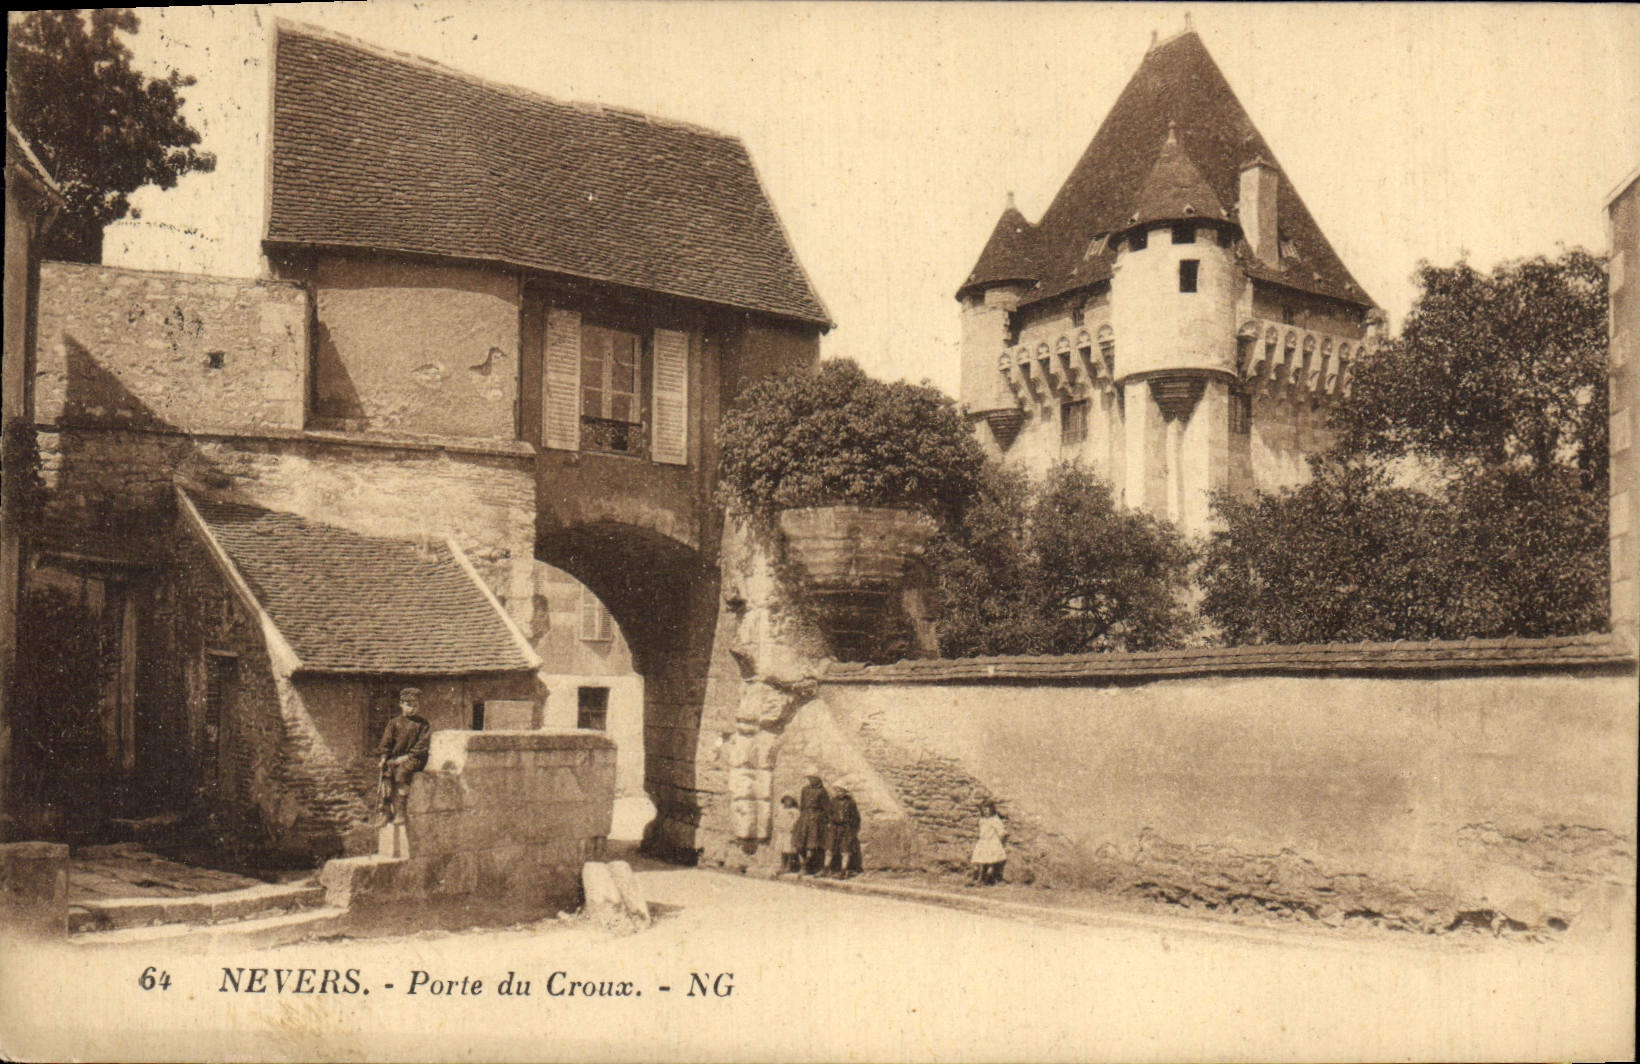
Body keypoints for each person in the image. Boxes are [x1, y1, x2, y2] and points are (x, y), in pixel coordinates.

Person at [377, 687, 431, 824]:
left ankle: (401, 813)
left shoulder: (423, 724)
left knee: (402, 773)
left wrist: (405, 758)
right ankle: (386, 812)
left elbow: (422, 745)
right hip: (397, 758)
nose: (412, 709)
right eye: (409, 705)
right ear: (401, 704)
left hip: (415, 758)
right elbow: (386, 743)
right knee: (386, 773)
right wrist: (383, 758)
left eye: (415, 705)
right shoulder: (394, 723)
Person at [795, 772, 830, 875]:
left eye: (812, 778)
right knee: (799, 842)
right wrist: (802, 817)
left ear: (817, 779)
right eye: (809, 778)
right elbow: (802, 804)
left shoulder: (822, 791)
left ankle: (807, 866)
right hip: (805, 817)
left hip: (816, 818)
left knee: (813, 843)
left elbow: (826, 807)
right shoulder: (804, 790)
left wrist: (825, 820)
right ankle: (803, 865)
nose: (810, 780)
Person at [970, 800, 1008, 886]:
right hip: (982, 842)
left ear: (992, 809)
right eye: (984, 810)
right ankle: (977, 879)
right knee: (978, 862)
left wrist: (999, 843)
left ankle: (986, 880)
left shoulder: (995, 820)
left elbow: (1002, 832)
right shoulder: (982, 820)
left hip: (991, 843)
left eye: (987, 809)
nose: (986, 811)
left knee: (990, 864)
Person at [827, 787, 862, 879]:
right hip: (834, 828)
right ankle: (826, 868)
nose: (839, 793)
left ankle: (843, 870)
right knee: (830, 848)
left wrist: (851, 827)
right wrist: (832, 821)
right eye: (837, 791)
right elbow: (828, 813)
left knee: (845, 850)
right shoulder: (833, 802)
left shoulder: (850, 803)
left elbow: (856, 817)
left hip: (846, 828)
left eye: (841, 791)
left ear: (845, 792)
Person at [775, 795, 801, 874]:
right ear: (783, 801)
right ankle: (783, 864)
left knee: (789, 849)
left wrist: (791, 827)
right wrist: (778, 826)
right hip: (782, 832)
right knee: (782, 849)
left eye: (790, 800)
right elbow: (777, 819)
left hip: (789, 832)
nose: (788, 802)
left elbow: (796, 821)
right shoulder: (781, 810)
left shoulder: (795, 811)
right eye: (786, 800)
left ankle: (789, 866)